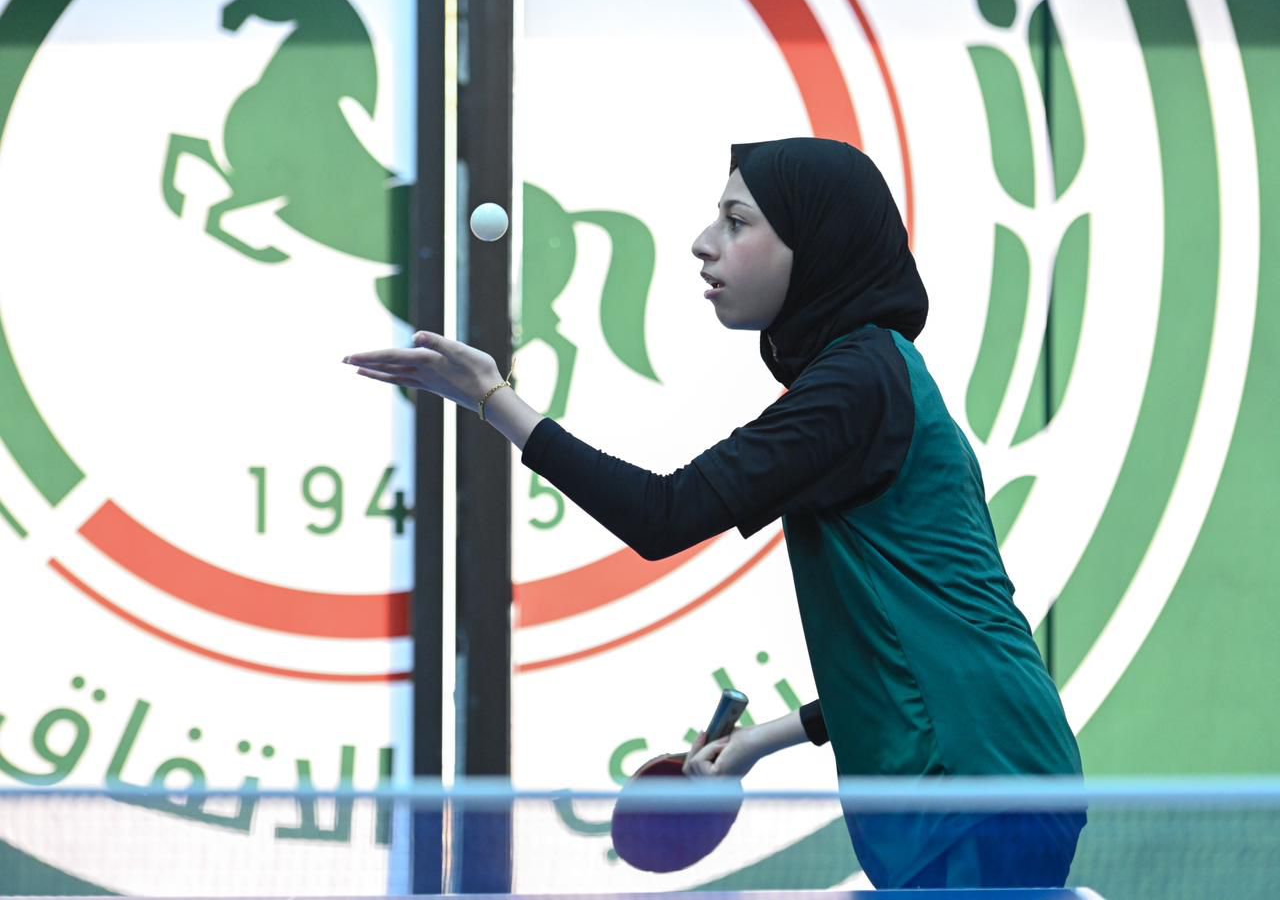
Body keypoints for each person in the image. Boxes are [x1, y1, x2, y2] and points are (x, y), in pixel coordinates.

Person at [344, 137, 1085, 889]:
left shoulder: (858, 384)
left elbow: (663, 515)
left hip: (973, 781)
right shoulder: (879, 373)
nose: (704, 244)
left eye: (737, 222)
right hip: (982, 769)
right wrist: (764, 739)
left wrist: (491, 399)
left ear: (813, 243)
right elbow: (922, 640)